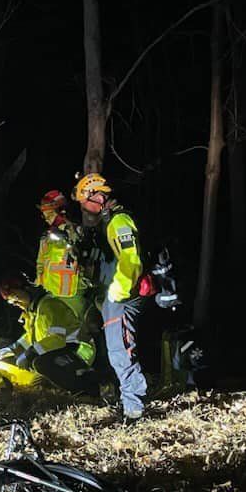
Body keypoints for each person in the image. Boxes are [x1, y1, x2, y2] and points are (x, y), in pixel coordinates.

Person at [73, 172, 148, 420]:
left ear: (98, 195)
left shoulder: (119, 221)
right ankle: (130, 402)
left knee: (120, 350)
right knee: (116, 350)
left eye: (86, 202)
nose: (85, 208)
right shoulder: (107, 223)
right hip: (112, 295)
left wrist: (117, 291)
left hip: (121, 296)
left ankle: (134, 408)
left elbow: (131, 260)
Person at [0, 274, 97, 392]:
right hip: (64, 351)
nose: (15, 302)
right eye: (11, 301)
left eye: (15, 296)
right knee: (36, 375)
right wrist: (13, 349)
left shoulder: (49, 306)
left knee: (41, 363)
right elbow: (30, 337)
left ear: (27, 288)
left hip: (79, 351)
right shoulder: (32, 312)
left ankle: (87, 389)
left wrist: (30, 353)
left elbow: (57, 339)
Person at [34, 189, 86, 299]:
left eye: (49, 213)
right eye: (44, 214)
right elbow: (40, 264)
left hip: (76, 293)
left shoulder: (76, 231)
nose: (47, 218)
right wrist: (38, 281)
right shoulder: (46, 238)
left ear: (60, 211)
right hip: (52, 295)